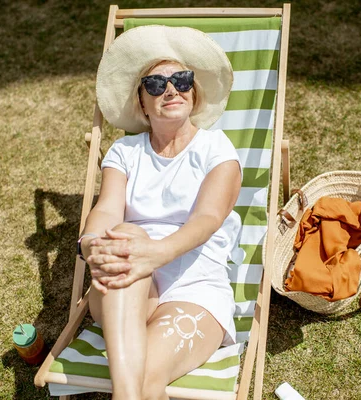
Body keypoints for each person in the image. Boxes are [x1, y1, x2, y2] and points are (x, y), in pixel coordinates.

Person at [77, 25, 243, 400]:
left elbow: (208, 219)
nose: (171, 89)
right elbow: (106, 209)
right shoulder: (126, 152)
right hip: (126, 287)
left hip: (195, 290)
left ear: (193, 91)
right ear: (142, 102)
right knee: (127, 239)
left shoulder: (217, 150)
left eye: (181, 80)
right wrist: (90, 246)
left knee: (145, 381)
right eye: (155, 84)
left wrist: (154, 252)